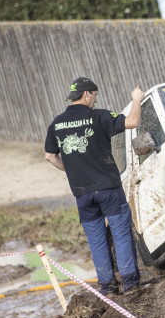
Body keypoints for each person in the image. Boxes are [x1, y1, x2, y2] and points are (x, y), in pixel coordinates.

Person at [44, 77, 145, 296]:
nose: (95, 100)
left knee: (96, 239)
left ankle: (107, 287)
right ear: (87, 94)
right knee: (120, 233)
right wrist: (136, 99)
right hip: (108, 189)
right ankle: (130, 284)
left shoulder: (57, 124)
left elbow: (50, 156)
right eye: (95, 95)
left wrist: (73, 172)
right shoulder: (98, 116)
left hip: (82, 194)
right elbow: (132, 122)